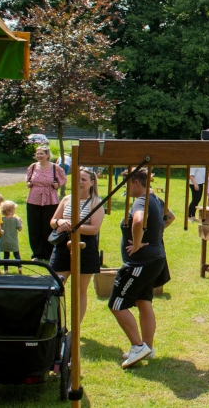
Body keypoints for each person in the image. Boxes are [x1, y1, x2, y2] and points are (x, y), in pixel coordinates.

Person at [109, 168, 174, 368]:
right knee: (143, 301)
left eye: (126, 182)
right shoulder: (155, 198)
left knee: (117, 304)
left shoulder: (141, 200)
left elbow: (137, 221)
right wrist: (153, 236)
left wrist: (138, 244)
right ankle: (148, 347)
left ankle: (138, 347)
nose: (125, 188)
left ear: (136, 183)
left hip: (141, 263)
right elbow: (170, 217)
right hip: (154, 259)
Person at [49, 168, 103, 322]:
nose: (79, 182)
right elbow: (53, 221)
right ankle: (56, 323)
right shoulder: (67, 199)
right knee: (55, 286)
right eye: (77, 179)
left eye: (84, 180)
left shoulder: (96, 202)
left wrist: (73, 226)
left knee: (80, 290)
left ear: (92, 183)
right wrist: (60, 222)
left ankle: (75, 327)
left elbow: (93, 230)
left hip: (85, 247)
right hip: (62, 246)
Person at [26, 145, 67, 261]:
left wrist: (57, 185)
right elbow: (28, 179)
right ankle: (37, 254)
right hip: (34, 199)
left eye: (41, 154)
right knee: (34, 227)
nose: (39, 156)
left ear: (48, 155)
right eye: (37, 154)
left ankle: (49, 253)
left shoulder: (55, 168)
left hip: (50, 199)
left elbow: (63, 179)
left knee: (48, 226)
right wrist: (29, 184)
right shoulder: (33, 167)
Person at [0, 200, 23, 274]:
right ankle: (20, 268)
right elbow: (20, 228)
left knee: (6, 255)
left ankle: (6, 270)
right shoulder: (15, 219)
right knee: (16, 254)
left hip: (4, 241)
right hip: (13, 241)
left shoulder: (1, 220)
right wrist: (20, 222)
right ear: (12, 210)